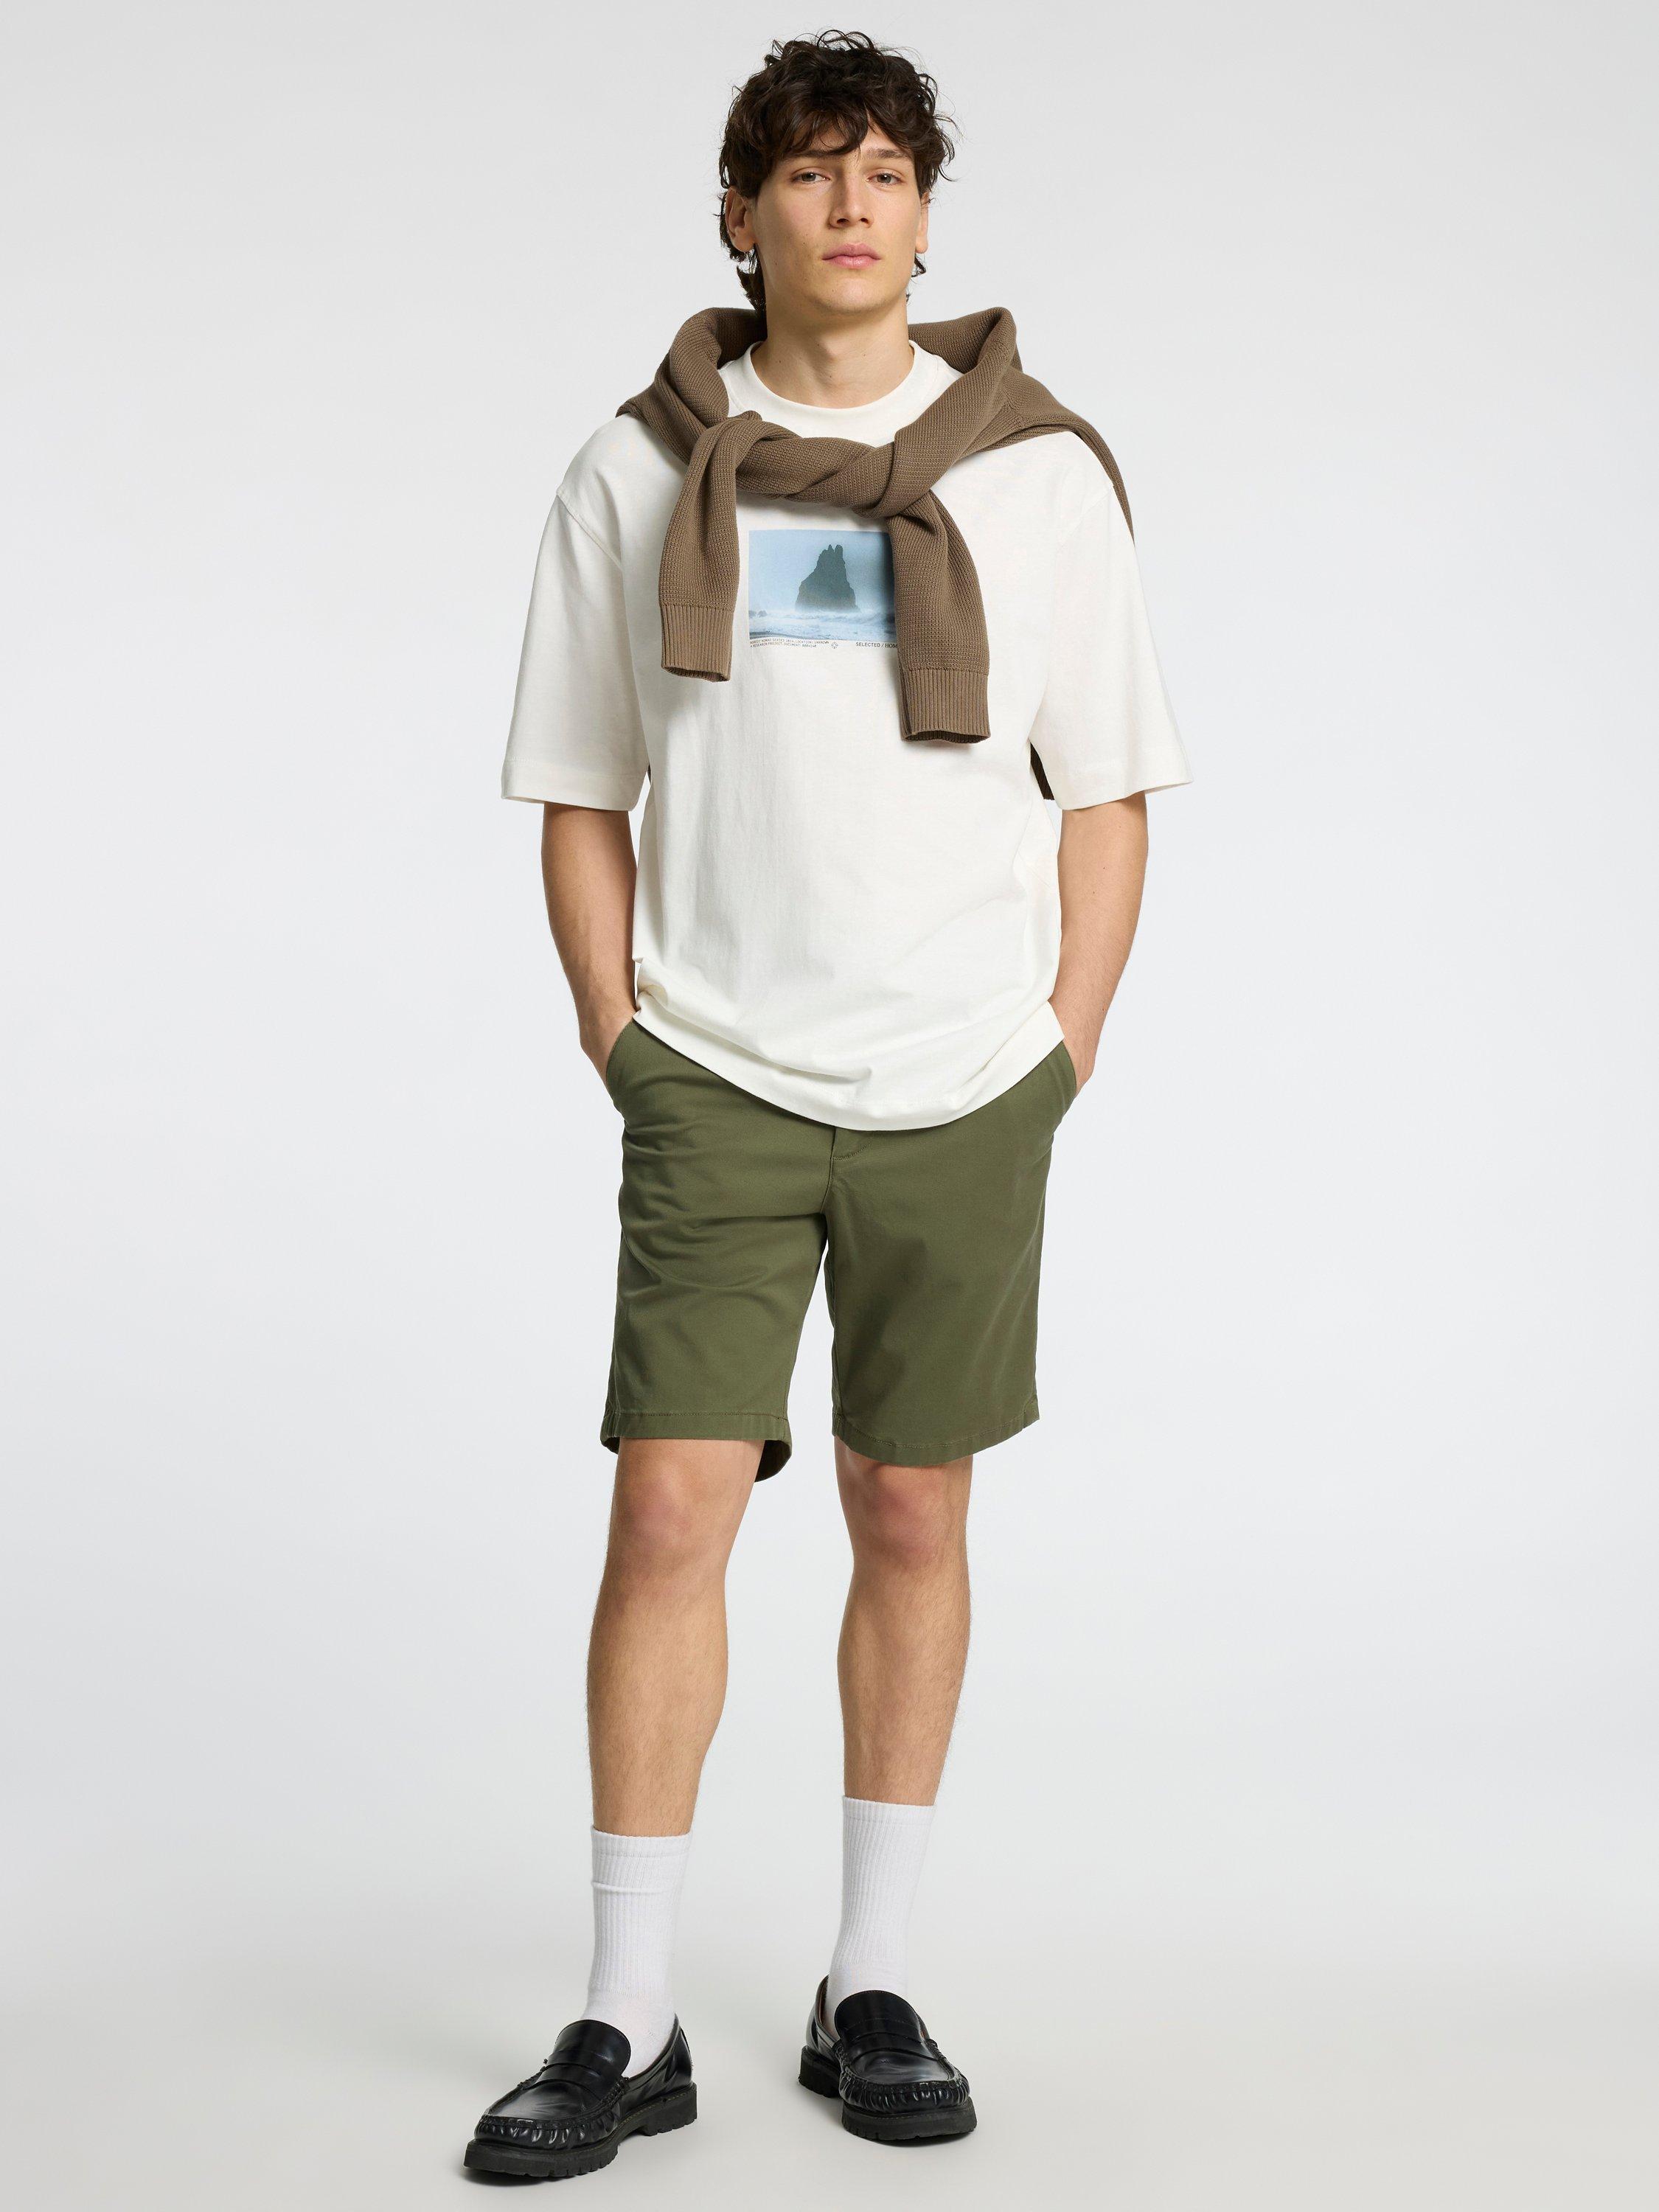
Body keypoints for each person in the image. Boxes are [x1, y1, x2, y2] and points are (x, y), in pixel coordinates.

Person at [463, 28, 1190, 2183]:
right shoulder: (635, 470)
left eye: (885, 171)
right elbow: (577, 785)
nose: (850, 203)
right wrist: (620, 1034)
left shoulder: (1037, 474)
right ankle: (626, 2013)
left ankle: (870, 1980)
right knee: (669, 1509)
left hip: (961, 1078)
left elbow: (1109, 787)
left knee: (910, 1510)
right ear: (741, 214)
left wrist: (1060, 1044)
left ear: (927, 218)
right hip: (716, 1069)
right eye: (806, 172)